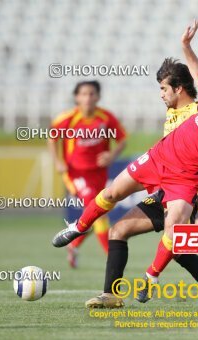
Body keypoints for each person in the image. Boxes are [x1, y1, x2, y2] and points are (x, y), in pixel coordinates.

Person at [51, 19, 198, 307]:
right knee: (123, 225)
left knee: (180, 244)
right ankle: (104, 278)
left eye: (163, 89)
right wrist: (185, 44)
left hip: (188, 185)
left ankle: (162, 280)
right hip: (159, 163)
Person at [48, 80, 127, 268]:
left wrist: (111, 155)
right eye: (83, 94)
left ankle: (73, 245)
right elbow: (52, 138)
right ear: (76, 97)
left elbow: (122, 139)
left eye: (92, 94)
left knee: (91, 215)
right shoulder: (67, 118)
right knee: (99, 215)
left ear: (98, 97)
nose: (88, 98)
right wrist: (58, 161)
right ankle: (112, 258)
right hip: (76, 174)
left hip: (99, 175)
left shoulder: (106, 118)